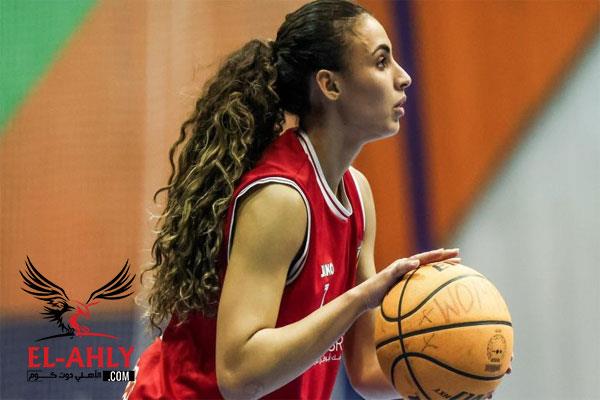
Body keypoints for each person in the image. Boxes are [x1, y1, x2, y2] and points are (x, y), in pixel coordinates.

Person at [125, 1, 463, 399]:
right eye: (381, 61)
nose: (403, 77)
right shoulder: (281, 199)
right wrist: (360, 298)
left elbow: (367, 368)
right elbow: (238, 374)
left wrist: (458, 371)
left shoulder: (357, 194)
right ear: (330, 85)